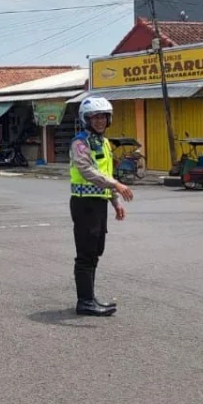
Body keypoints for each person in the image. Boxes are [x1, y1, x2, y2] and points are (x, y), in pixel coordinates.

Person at [70, 97, 134, 316]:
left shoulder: (104, 143)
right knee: (85, 253)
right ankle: (85, 301)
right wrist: (115, 184)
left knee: (96, 251)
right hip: (83, 203)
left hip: (98, 204)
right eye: (94, 117)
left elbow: (106, 173)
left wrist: (115, 201)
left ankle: (91, 297)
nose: (99, 121)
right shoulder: (80, 143)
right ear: (86, 119)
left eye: (103, 117)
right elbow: (88, 171)